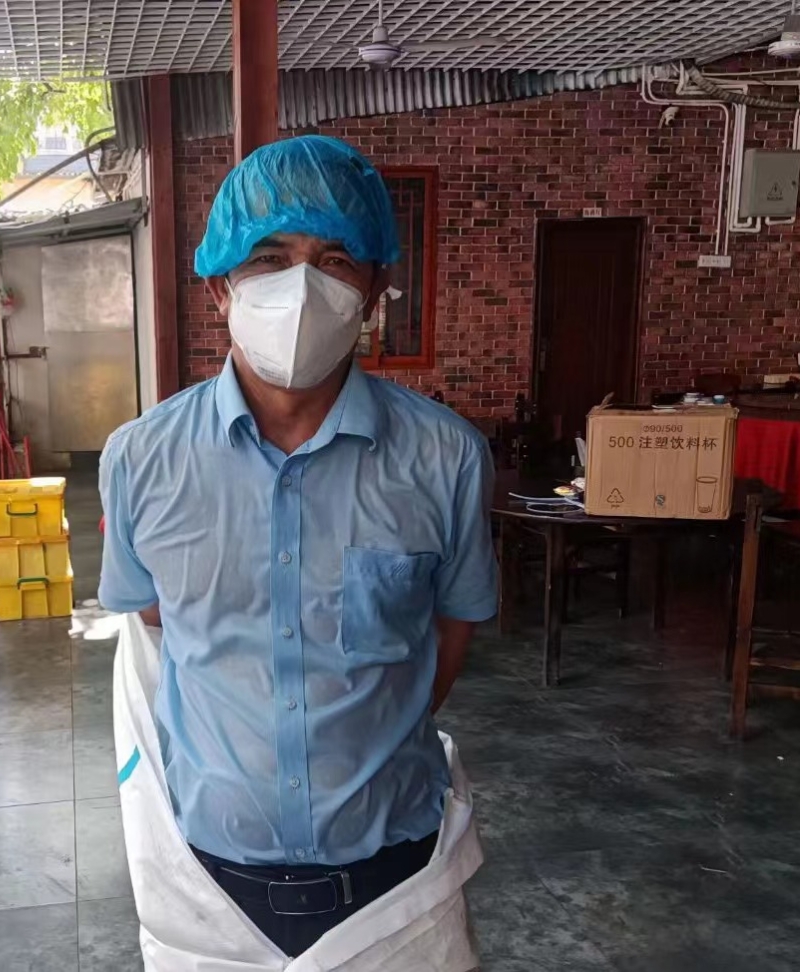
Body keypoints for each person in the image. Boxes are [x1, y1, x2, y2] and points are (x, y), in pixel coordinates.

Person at [99, 134, 497, 961]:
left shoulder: (445, 458)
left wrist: (363, 750)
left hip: (397, 884)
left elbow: (449, 634)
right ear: (221, 286)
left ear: (375, 289)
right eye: (270, 257)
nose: (303, 286)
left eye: (336, 260)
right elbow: (159, 622)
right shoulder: (141, 461)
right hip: (209, 890)